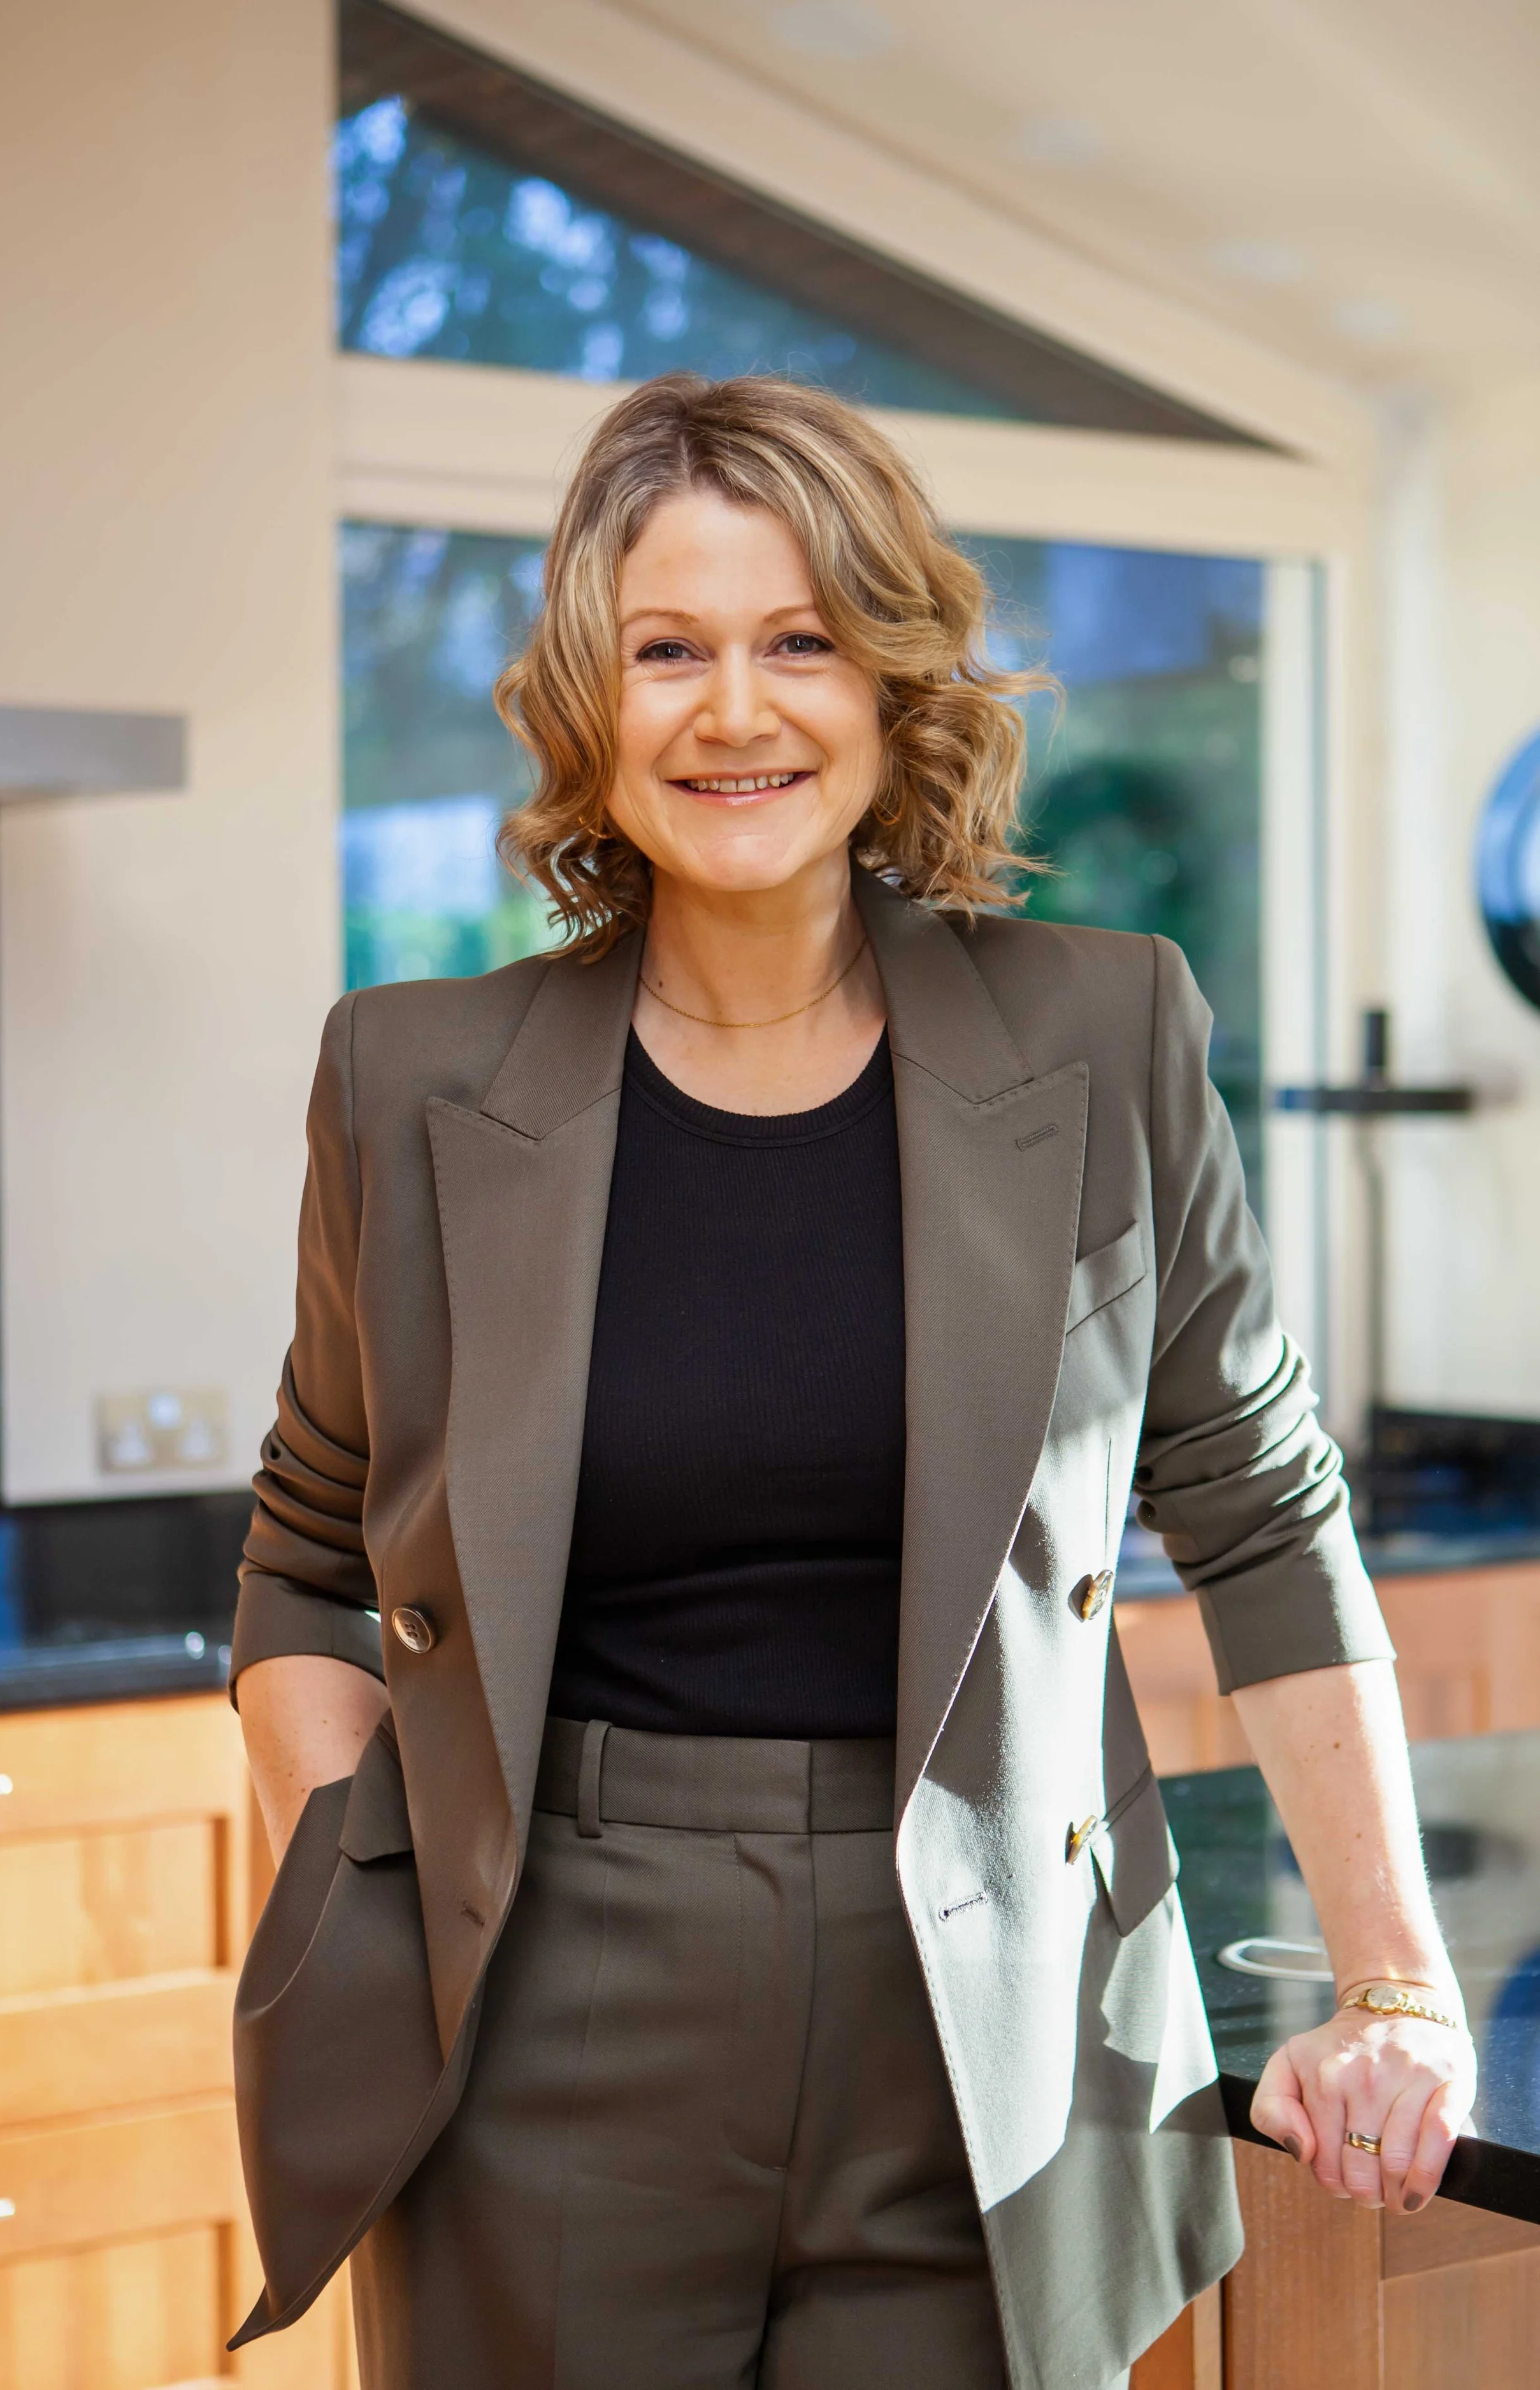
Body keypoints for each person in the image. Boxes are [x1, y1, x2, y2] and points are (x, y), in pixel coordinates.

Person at [229, 373, 1475, 2390]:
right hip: (547, 2012)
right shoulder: (409, 1075)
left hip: (993, 2028)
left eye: (799, 639)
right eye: (669, 649)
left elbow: (1255, 1506)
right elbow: (301, 1551)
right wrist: (355, 1880)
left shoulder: (1108, 1026)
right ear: (587, 698)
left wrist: (1396, 1978)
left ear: (893, 680)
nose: (736, 710)